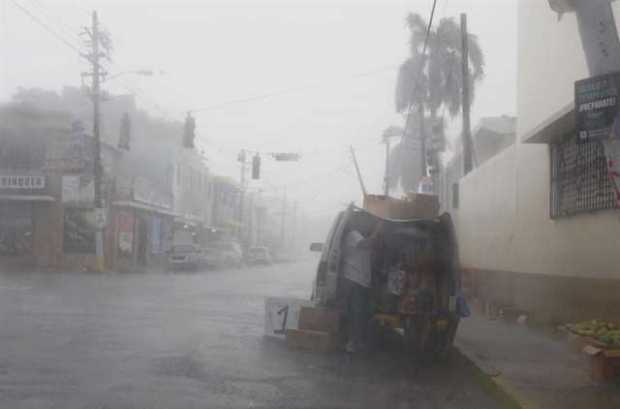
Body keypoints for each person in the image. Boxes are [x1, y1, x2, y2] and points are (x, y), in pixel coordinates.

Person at [342, 221, 382, 353]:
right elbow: (367, 243)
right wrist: (378, 228)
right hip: (354, 280)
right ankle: (352, 343)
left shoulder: (360, 236)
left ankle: (357, 342)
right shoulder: (353, 234)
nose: (365, 225)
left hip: (361, 281)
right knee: (356, 313)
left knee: (360, 313)